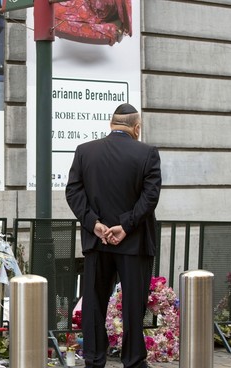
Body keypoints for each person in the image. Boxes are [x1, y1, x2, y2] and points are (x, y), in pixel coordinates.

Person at [65, 103, 161, 368]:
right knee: (132, 306)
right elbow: (150, 197)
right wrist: (126, 225)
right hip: (134, 243)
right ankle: (133, 361)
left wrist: (94, 224)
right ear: (136, 128)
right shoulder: (147, 153)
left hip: (97, 242)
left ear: (111, 125)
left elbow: (73, 192)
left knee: (94, 303)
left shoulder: (85, 151)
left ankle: (94, 360)